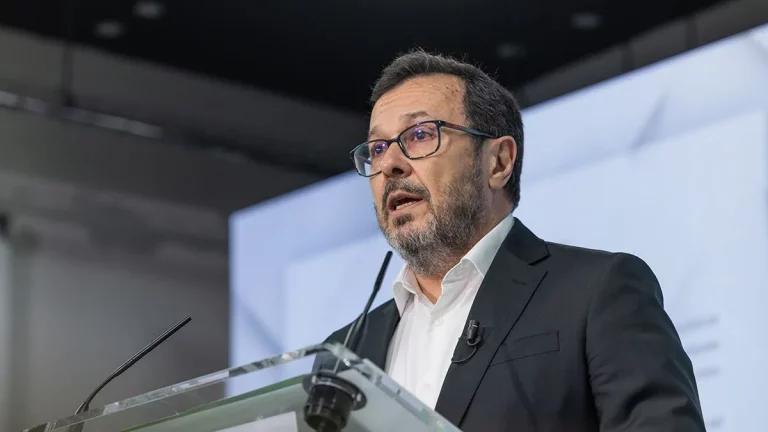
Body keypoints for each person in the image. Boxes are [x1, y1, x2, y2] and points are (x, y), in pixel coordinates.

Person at [317, 50, 705, 431]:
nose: (389, 165)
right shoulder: (345, 353)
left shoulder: (596, 291)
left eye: (419, 135)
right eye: (378, 148)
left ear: (498, 162)